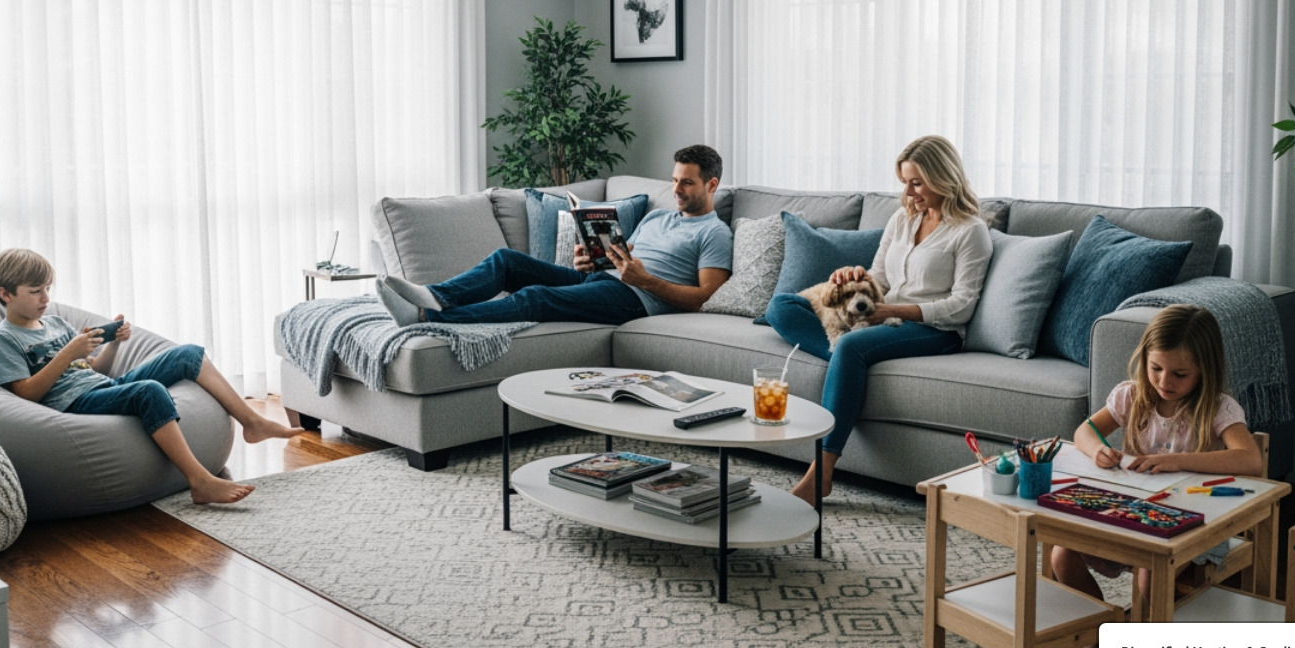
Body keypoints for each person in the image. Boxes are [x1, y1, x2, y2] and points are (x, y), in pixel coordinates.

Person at [766, 135, 991, 507]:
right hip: (881, 321)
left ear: (942, 177)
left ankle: (820, 473)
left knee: (852, 345)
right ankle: (847, 362)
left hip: (935, 330)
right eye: (905, 181)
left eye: (916, 182)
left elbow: (962, 305)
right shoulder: (902, 219)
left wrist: (892, 312)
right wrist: (857, 278)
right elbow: (880, 279)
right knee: (782, 306)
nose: (908, 191)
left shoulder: (970, 231)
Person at [0, 249, 303, 505]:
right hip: (73, 403)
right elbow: (25, 394)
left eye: (48, 289)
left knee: (188, 353)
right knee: (148, 391)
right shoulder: (4, 340)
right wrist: (68, 352)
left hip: (100, 386)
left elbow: (96, 370)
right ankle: (199, 480)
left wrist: (112, 343)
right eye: (36, 291)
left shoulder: (54, 324)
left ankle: (251, 421)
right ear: (6, 294)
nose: (46, 298)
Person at [1050, 304, 1262, 648]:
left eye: (1180, 373)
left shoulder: (1217, 408)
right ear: (1144, 359)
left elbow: (1250, 459)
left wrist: (1180, 461)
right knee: (1060, 556)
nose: (1165, 381)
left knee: (1152, 575)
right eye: (1156, 368)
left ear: (1204, 371)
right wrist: (1098, 448)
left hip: (1194, 526)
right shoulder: (1131, 396)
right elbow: (1084, 431)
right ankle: (1104, 636)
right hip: (1131, 518)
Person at [376, 144, 733, 327]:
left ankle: (426, 319)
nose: (676, 189)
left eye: (686, 182)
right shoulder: (658, 217)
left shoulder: (714, 233)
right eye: (674, 180)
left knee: (536, 297)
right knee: (507, 261)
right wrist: (593, 260)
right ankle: (434, 295)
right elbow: (624, 257)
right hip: (605, 282)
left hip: (636, 300)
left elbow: (705, 298)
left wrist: (648, 281)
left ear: (711, 184)